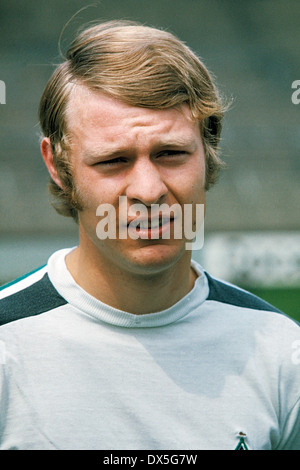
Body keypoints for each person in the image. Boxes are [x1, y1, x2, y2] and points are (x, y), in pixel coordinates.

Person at [0, 20, 299, 451]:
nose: (148, 191)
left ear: (209, 147)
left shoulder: (284, 356)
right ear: (57, 166)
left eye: (171, 154)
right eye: (114, 160)